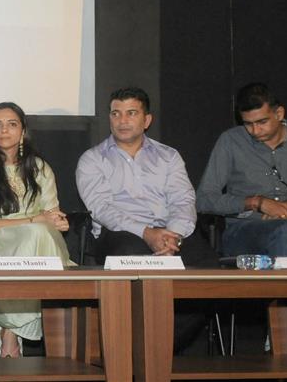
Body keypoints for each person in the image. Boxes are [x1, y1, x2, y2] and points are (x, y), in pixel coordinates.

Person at [77, 87, 217, 351]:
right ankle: (133, 353)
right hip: (120, 234)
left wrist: (171, 237)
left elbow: (183, 200)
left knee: (208, 268)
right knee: (131, 253)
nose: (122, 120)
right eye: (116, 113)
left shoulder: (169, 156)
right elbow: (102, 208)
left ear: (147, 120)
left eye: (131, 113)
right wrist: (147, 233)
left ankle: (156, 350)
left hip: (171, 233)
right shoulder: (92, 159)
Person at [0, 102, 72, 358]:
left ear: (23, 132)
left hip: (38, 241)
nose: (4, 130)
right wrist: (35, 221)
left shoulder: (41, 167)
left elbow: (52, 214)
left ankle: (9, 331)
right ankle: (13, 329)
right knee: (36, 234)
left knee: (40, 236)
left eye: (12, 124)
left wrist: (57, 222)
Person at [197, 82, 287, 257]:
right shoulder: (230, 141)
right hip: (246, 229)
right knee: (286, 230)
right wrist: (256, 203)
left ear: (279, 113)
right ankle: (284, 285)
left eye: (262, 122)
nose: (255, 130)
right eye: (248, 124)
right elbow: (204, 200)